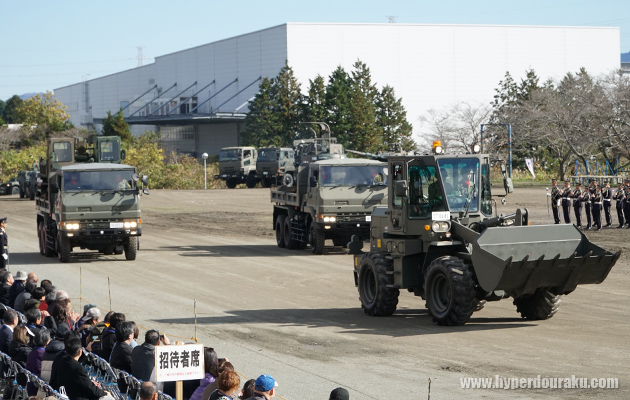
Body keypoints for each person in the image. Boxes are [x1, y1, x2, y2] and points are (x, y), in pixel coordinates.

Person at [50, 334, 112, 400]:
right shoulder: (78, 368)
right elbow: (92, 390)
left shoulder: (61, 360)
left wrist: (88, 382)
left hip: (62, 394)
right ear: (80, 351)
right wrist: (105, 393)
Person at [26, 329, 51, 396]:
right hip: (41, 389)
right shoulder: (45, 355)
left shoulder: (30, 353)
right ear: (47, 342)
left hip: (30, 386)